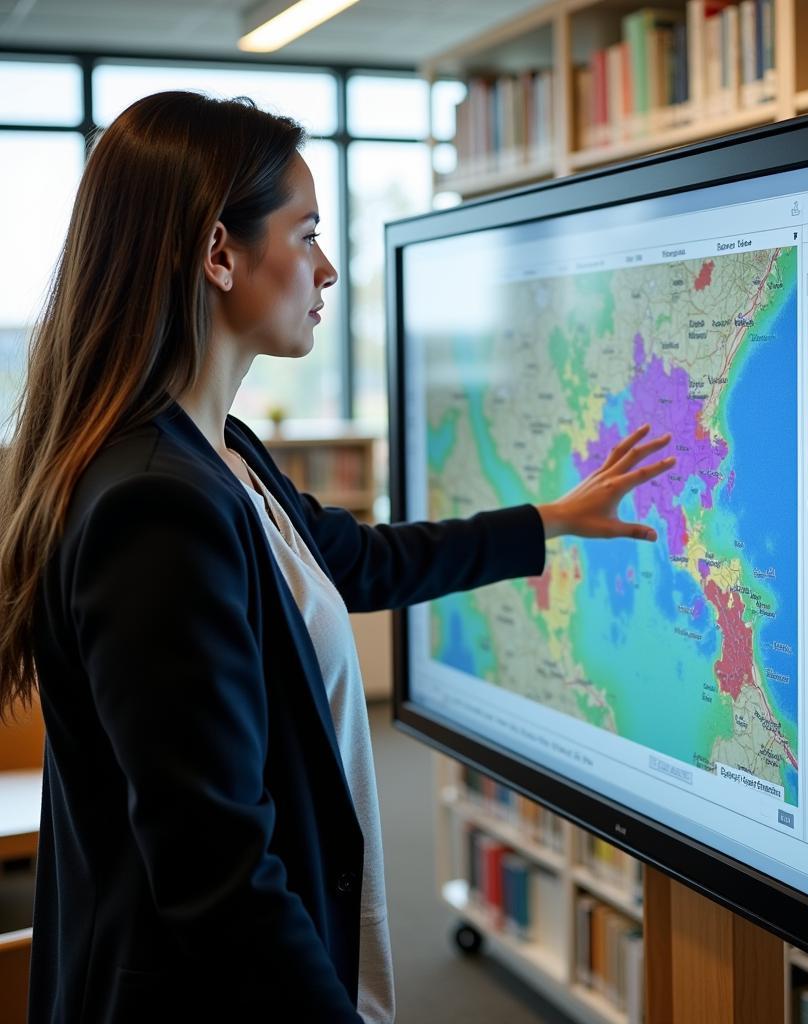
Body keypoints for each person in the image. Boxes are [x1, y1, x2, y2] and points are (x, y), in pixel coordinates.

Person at [0, 91, 673, 1023]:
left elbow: (360, 561)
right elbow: (219, 873)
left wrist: (552, 521)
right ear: (218, 253)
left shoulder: (216, 454)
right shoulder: (155, 507)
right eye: (305, 232)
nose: (325, 268)